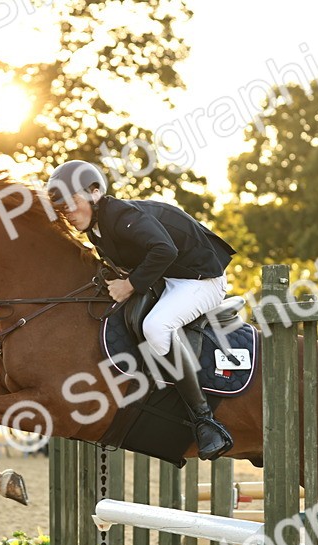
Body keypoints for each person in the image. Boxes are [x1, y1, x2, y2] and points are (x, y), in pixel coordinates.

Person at [45, 160, 236, 459]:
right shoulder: (96, 228)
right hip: (170, 277)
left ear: (94, 193)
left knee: (156, 327)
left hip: (202, 278)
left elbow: (164, 250)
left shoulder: (121, 215)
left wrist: (130, 284)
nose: (67, 213)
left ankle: (204, 421)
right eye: (61, 209)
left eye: (71, 203)